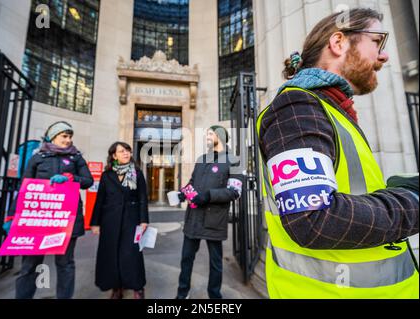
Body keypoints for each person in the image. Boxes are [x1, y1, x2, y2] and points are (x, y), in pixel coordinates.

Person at [256, 8, 419, 298]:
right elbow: (313, 221)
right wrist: (412, 201)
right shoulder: (296, 107)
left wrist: (391, 191)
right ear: (339, 42)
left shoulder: (332, 111)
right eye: (377, 41)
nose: (384, 56)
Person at [3, 121, 94, 299]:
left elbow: (88, 180)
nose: (68, 140)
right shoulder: (38, 157)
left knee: (65, 264)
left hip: (67, 219)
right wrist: (12, 215)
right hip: (38, 220)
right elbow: (24, 188)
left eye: (70, 137)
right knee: (29, 265)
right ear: (53, 137)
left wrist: (71, 178)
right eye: (64, 136)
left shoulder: (76, 158)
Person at [175, 126, 242, 299]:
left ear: (220, 136)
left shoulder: (233, 160)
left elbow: (234, 192)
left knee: (215, 263)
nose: (207, 137)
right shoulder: (202, 159)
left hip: (214, 218)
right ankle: (182, 294)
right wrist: (183, 193)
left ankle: (214, 296)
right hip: (194, 218)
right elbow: (192, 183)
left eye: (210, 134)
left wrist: (207, 195)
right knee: (186, 259)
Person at [90, 142, 149, 299]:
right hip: (110, 221)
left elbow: (143, 197)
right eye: (121, 151)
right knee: (111, 254)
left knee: (132, 254)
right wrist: (95, 223)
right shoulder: (107, 175)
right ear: (114, 156)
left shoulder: (137, 173)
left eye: (128, 151)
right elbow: (100, 199)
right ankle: (116, 287)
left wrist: (144, 220)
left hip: (132, 220)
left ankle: (138, 287)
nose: (126, 154)